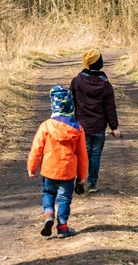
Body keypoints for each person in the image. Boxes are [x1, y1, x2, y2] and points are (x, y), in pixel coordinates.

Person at [27, 85, 88, 238]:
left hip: (49, 169)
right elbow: (82, 155)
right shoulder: (78, 129)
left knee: (47, 192)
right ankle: (62, 227)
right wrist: (81, 177)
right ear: (71, 106)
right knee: (64, 198)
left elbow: (36, 148)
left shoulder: (46, 126)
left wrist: (31, 167)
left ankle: (48, 214)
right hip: (68, 171)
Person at [70, 49, 120, 193]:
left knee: (82, 154)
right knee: (95, 155)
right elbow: (110, 108)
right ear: (100, 64)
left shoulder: (76, 82)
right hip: (99, 126)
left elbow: (71, 104)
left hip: (81, 126)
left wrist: (69, 122)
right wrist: (114, 127)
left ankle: (80, 179)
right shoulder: (106, 84)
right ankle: (92, 183)